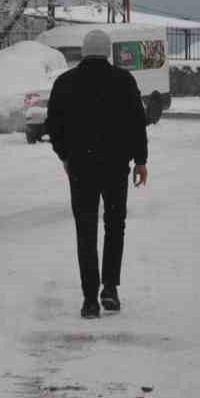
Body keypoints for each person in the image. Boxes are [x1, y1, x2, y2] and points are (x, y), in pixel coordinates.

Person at [44, 29, 149, 319]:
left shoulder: (65, 83)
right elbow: (136, 123)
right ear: (108, 52)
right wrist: (140, 161)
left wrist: (65, 155)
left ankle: (89, 299)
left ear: (83, 51)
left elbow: (53, 124)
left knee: (85, 229)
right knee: (115, 226)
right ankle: (110, 289)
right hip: (115, 167)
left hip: (81, 168)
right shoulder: (124, 81)